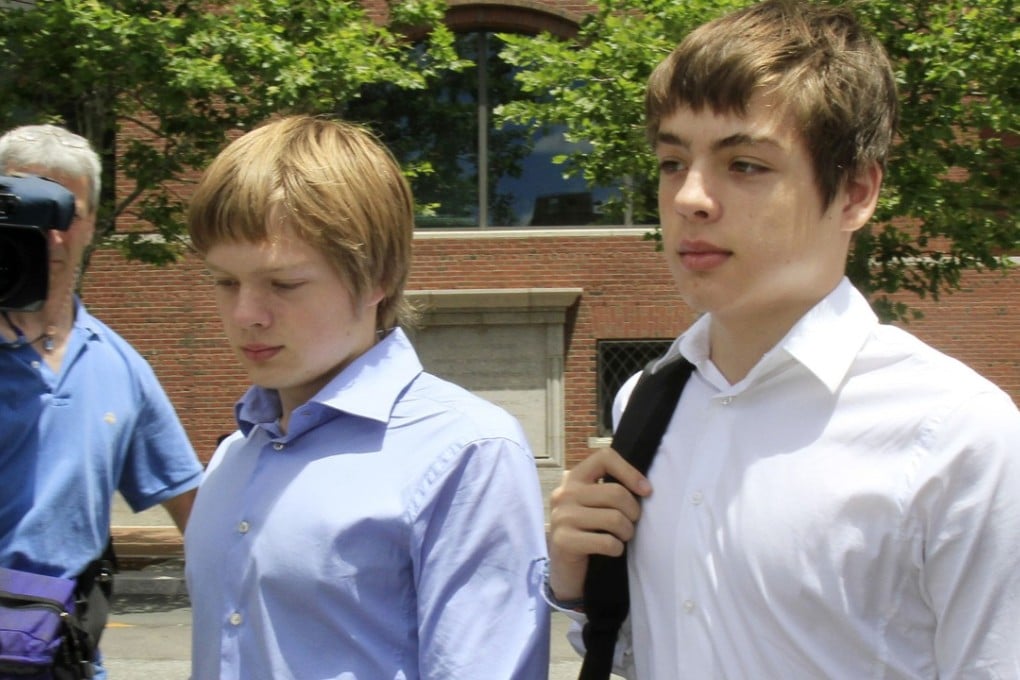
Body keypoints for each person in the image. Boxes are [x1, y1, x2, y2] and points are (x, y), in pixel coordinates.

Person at [546, 1, 1020, 677]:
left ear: (855, 194)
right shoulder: (645, 404)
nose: (689, 198)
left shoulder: (956, 435)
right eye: (672, 161)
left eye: (744, 165)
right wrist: (578, 587)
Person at [183, 114, 550, 679]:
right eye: (224, 282)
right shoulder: (235, 454)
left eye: (283, 284)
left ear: (377, 276)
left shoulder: (466, 452)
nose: (245, 314)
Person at [0, 124, 204, 676]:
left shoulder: (118, 366)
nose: (51, 236)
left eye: (67, 213)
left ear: (92, 225)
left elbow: (198, 515)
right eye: (28, 210)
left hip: (62, 659)